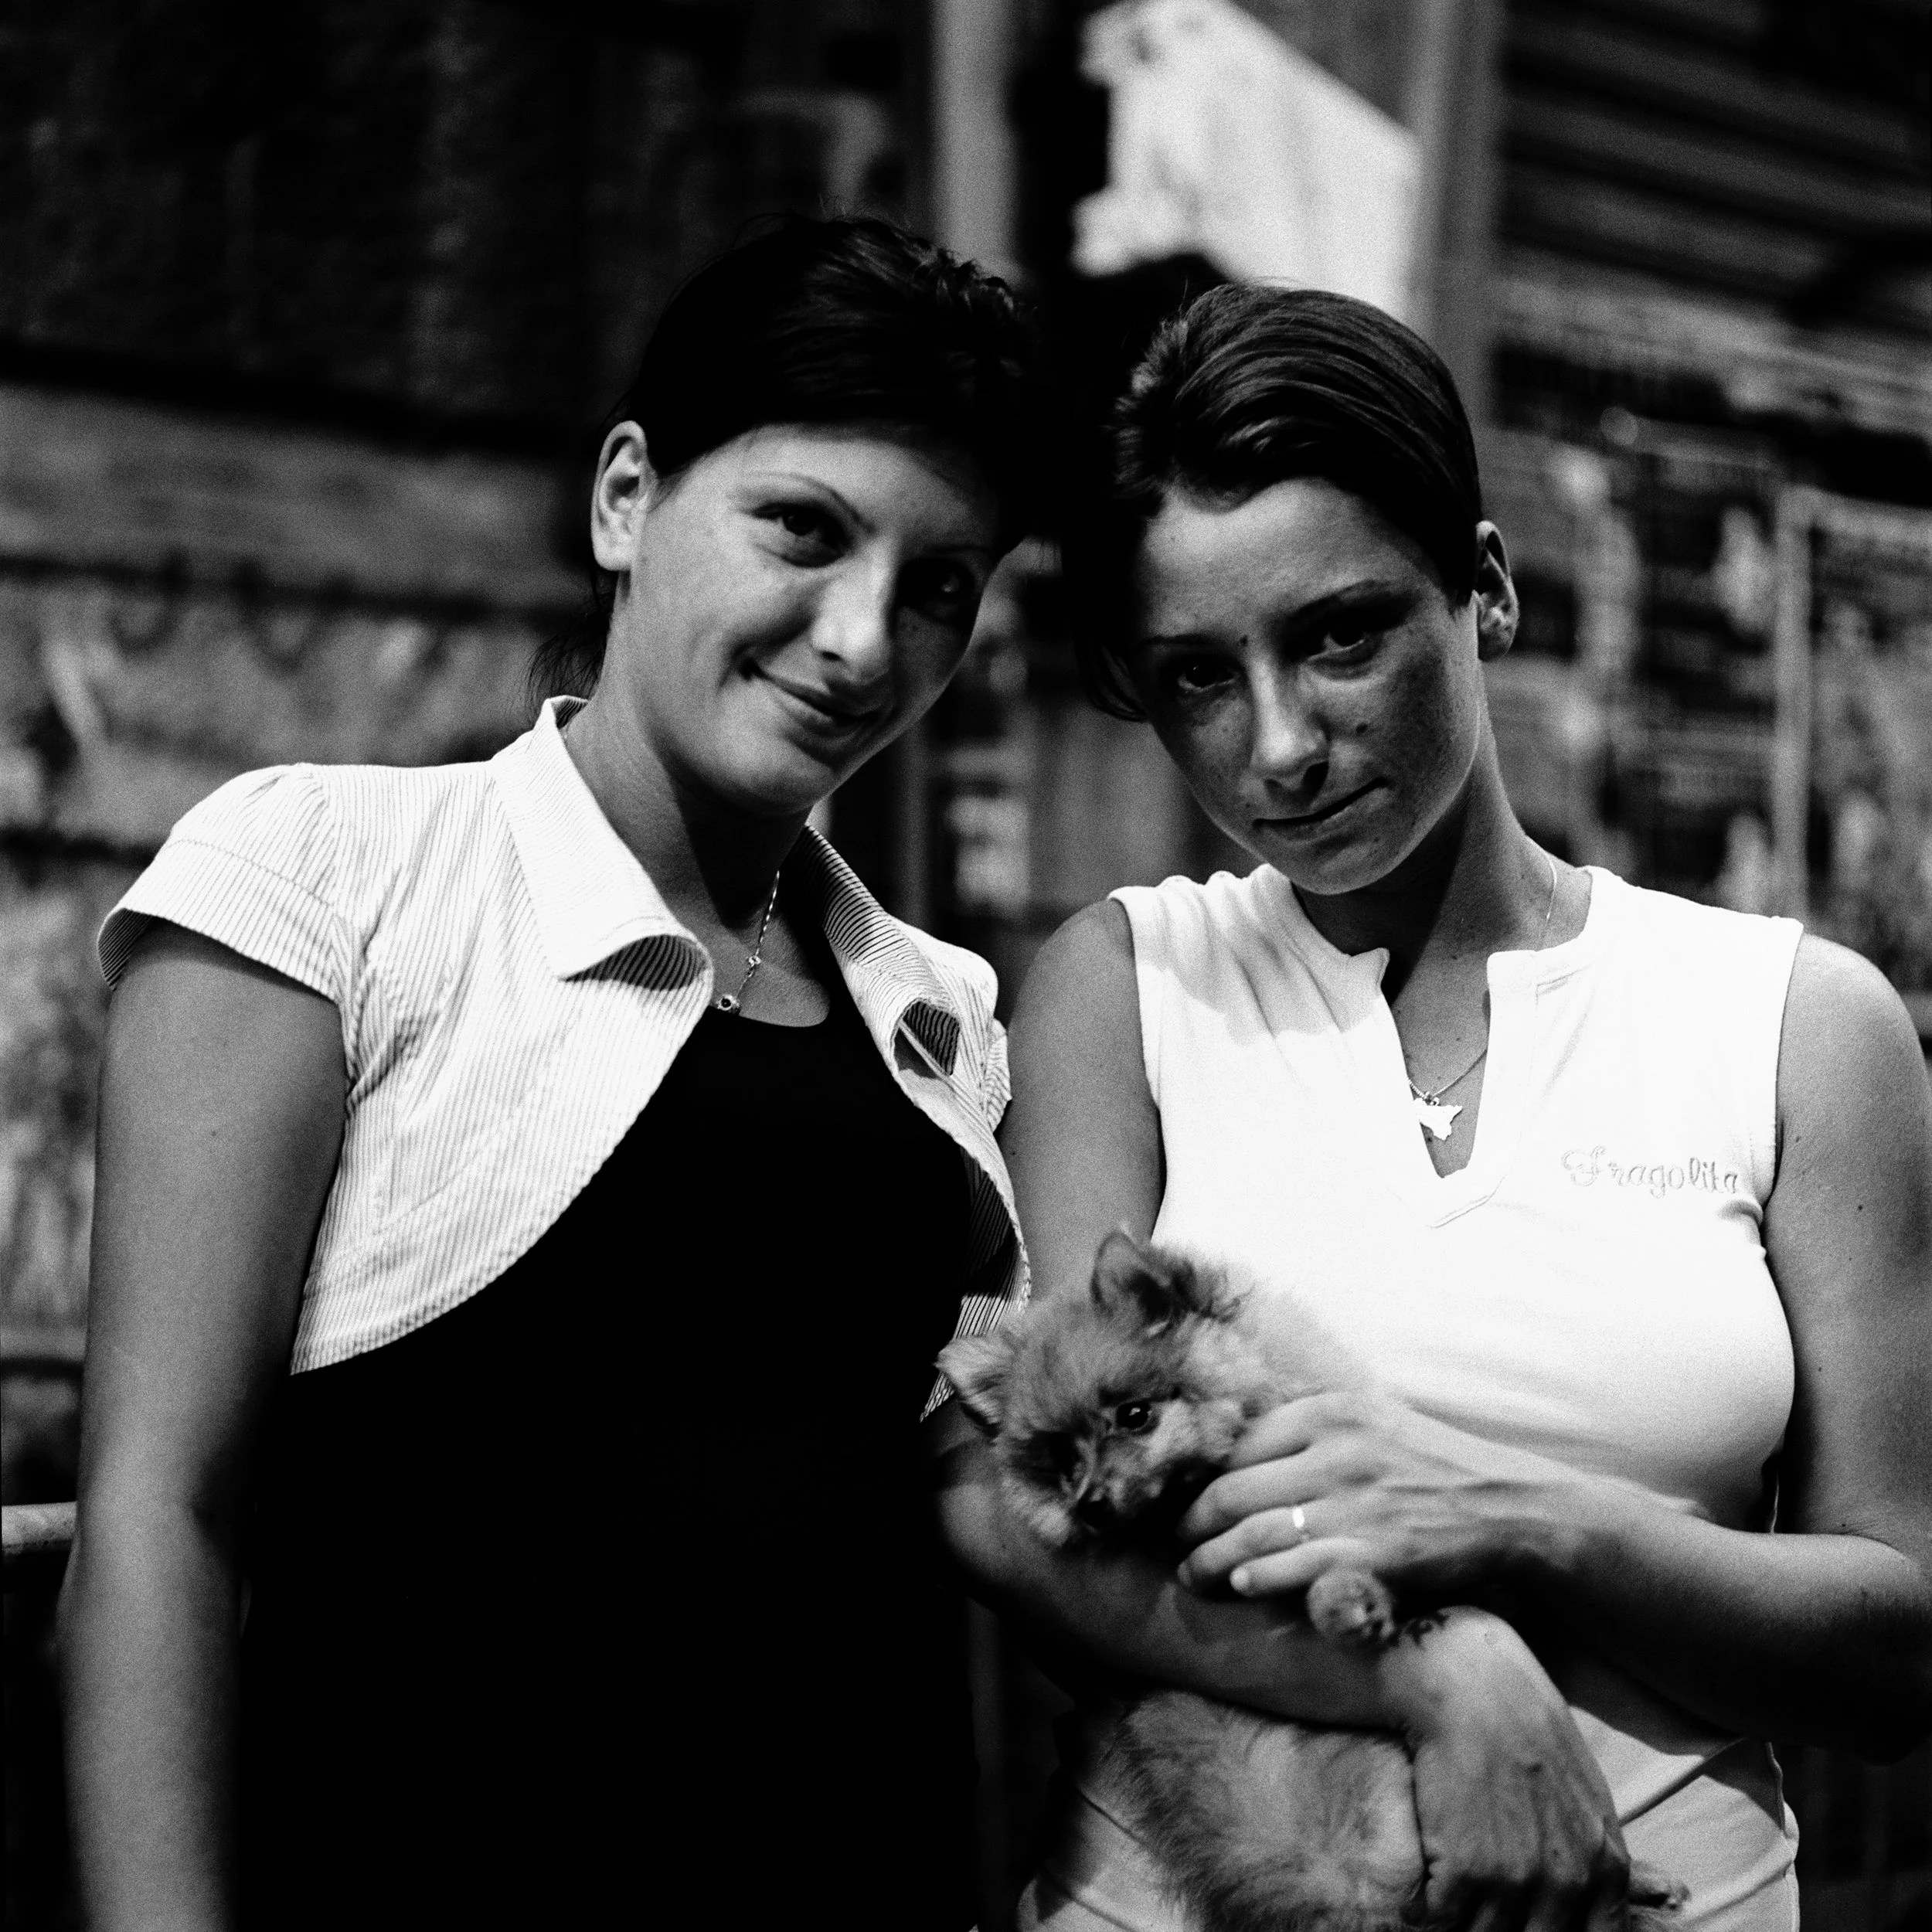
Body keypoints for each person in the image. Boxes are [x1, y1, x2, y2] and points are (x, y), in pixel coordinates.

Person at [60, 215, 1052, 1931]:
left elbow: (953, 1514)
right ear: (622, 499)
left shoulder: (932, 1006)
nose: (860, 637)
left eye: (937, 586)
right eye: (801, 531)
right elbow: (159, 1510)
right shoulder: (326, 875)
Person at [947, 284, 1932, 1931]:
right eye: (1194, 675)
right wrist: (1447, 1683)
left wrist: (1523, 1528)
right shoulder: (1122, 986)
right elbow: (1061, 1544)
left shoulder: (1791, 1022)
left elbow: (1899, 1646)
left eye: (1338, 633)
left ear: (1481, 585)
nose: (1276, 747)